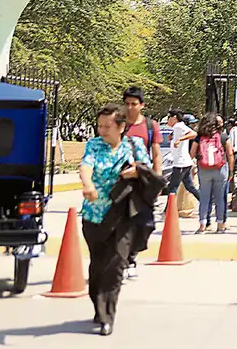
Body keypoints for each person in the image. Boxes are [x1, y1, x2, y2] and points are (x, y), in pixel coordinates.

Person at [79, 103, 151, 336]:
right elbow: (86, 166)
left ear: (121, 127)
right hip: (94, 215)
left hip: (123, 214)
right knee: (98, 266)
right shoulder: (94, 145)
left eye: (107, 126)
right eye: (99, 126)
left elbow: (147, 168)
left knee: (116, 263)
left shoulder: (134, 145)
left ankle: (107, 316)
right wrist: (88, 185)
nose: (102, 130)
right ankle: (99, 305)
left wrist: (136, 171)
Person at [120, 86, 162, 280]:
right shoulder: (118, 123)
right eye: (127, 104)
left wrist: (157, 179)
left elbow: (156, 153)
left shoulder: (150, 126)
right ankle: (127, 260)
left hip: (143, 181)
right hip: (121, 179)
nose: (130, 108)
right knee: (123, 222)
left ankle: (133, 253)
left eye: (134, 104)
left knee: (145, 223)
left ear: (142, 105)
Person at [190, 113, 233, 234]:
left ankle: (202, 225)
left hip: (204, 170)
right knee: (220, 198)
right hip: (221, 169)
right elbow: (230, 154)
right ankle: (220, 225)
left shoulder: (199, 137)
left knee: (204, 198)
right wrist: (231, 171)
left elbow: (192, 153)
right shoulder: (223, 136)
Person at [164, 110, 199, 201]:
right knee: (189, 187)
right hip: (183, 162)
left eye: (169, 118)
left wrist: (180, 139)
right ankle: (204, 202)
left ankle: (169, 208)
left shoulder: (179, 126)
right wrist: (172, 136)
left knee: (172, 188)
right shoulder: (177, 127)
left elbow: (193, 134)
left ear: (174, 117)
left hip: (180, 163)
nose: (168, 120)